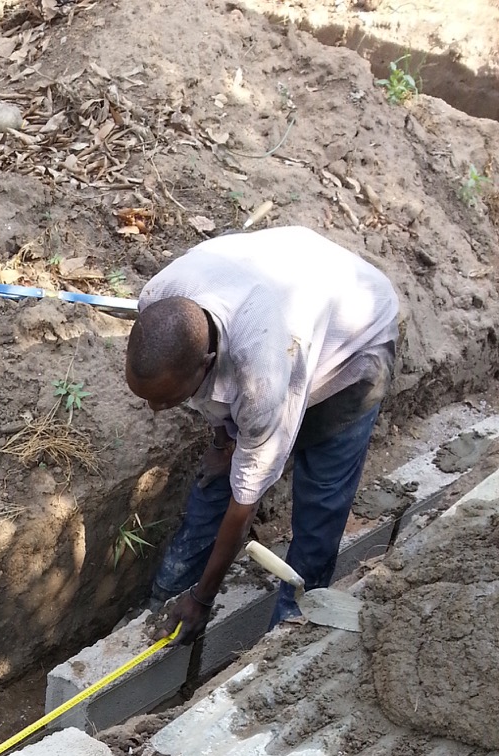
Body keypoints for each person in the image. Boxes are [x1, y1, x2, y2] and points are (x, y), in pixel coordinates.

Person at [124, 226, 400, 641]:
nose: (154, 408)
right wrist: (222, 441)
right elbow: (209, 401)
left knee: (319, 501)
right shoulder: (157, 301)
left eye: (167, 399)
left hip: (354, 344)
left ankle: (289, 633)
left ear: (207, 364)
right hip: (288, 287)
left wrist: (203, 602)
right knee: (217, 475)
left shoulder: (261, 377)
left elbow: (245, 505)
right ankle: (163, 598)